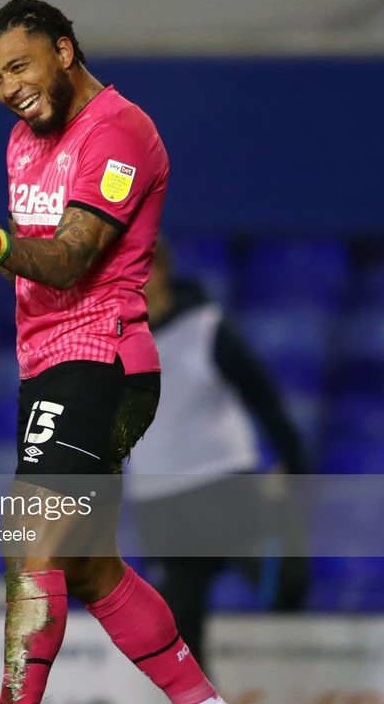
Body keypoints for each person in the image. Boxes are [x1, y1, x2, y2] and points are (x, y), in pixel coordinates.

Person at [0, 0, 253, 704]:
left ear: (65, 50)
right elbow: (36, 250)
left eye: (21, 66)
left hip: (102, 362)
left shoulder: (119, 131)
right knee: (90, 567)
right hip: (51, 368)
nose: (9, 88)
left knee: (29, 541)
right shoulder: (23, 140)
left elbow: (69, 259)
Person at [128, 237, 309, 670]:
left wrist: (294, 462)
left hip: (221, 482)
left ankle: (281, 516)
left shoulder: (205, 327)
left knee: (283, 587)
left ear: (162, 271)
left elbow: (262, 395)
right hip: (161, 499)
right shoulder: (106, 340)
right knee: (178, 635)